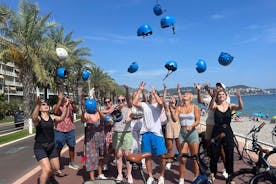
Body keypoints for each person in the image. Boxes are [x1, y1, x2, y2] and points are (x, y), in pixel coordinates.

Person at [132, 81, 167, 184]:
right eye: (150, 94)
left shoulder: (158, 106)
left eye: (153, 94)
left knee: (161, 156)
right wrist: (140, 90)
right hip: (146, 134)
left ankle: (161, 176)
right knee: (147, 156)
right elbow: (134, 103)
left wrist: (154, 92)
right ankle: (150, 176)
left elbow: (161, 103)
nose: (151, 95)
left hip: (157, 135)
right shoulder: (144, 105)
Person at [195, 82, 230, 178]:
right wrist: (198, 90)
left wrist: (209, 91)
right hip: (210, 124)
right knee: (209, 146)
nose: (217, 88)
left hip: (219, 126)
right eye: (217, 86)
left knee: (222, 149)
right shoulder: (211, 98)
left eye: (220, 87)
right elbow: (200, 100)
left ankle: (226, 169)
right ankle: (212, 166)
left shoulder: (226, 98)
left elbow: (219, 101)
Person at [32, 96, 69, 184]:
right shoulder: (39, 119)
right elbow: (34, 117)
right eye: (43, 104)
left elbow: (62, 118)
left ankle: (50, 177)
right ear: (40, 108)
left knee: (56, 168)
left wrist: (65, 107)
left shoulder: (52, 117)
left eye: (47, 104)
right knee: (47, 169)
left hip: (51, 146)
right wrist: (37, 104)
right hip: (40, 147)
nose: (46, 105)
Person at [209, 88, 243, 182]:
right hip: (217, 131)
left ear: (226, 96)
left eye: (223, 94)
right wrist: (213, 96)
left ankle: (230, 175)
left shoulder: (230, 106)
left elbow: (240, 107)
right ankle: (212, 173)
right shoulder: (215, 105)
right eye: (219, 95)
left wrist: (239, 97)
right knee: (214, 154)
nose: (221, 96)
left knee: (229, 154)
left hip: (228, 131)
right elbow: (211, 107)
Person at [170, 92, 200, 184]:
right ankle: (181, 179)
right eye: (184, 94)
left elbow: (198, 120)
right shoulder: (179, 107)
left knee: (195, 159)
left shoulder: (195, 107)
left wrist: (192, 125)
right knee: (182, 159)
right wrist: (171, 109)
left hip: (192, 134)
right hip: (182, 134)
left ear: (191, 97)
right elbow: (175, 119)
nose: (184, 94)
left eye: (187, 94)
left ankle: (195, 179)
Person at [81, 99, 107, 181]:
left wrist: (98, 111)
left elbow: (104, 118)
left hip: (101, 138)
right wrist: (82, 113)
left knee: (100, 157)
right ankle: (92, 178)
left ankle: (100, 173)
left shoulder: (99, 113)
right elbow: (83, 120)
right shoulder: (86, 114)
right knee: (91, 158)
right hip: (91, 140)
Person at [53, 92, 79, 170]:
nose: (65, 98)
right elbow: (55, 111)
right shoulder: (56, 105)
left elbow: (76, 110)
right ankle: (57, 164)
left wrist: (72, 103)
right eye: (63, 97)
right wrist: (60, 101)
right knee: (58, 148)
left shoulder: (70, 105)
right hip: (59, 130)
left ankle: (72, 162)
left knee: (71, 146)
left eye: (65, 97)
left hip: (70, 129)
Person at [112, 95, 133, 183]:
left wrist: (125, 121)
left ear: (125, 101)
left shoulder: (128, 109)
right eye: (119, 100)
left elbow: (129, 118)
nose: (120, 101)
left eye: (122, 100)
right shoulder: (114, 110)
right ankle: (120, 174)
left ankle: (129, 174)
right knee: (118, 155)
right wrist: (110, 120)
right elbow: (111, 120)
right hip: (116, 134)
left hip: (126, 134)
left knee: (127, 156)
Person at [163, 84, 181, 170]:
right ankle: (169, 161)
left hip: (177, 128)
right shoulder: (167, 108)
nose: (171, 100)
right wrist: (165, 90)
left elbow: (181, 100)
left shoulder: (177, 108)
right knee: (169, 148)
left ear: (175, 101)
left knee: (179, 147)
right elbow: (163, 101)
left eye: (173, 99)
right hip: (169, 128)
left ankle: (181, 161)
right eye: (170, 99)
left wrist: (178, 91)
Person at [101, 97, 115, 171]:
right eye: (105, 102)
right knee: (107, 149)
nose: (107, 103)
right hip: (107, 132)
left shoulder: (115, 109)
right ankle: (105, 164)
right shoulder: (103, 111)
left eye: (108, 101)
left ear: (111, 102)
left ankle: (116, 160)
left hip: (115, 131)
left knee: (117, 148)